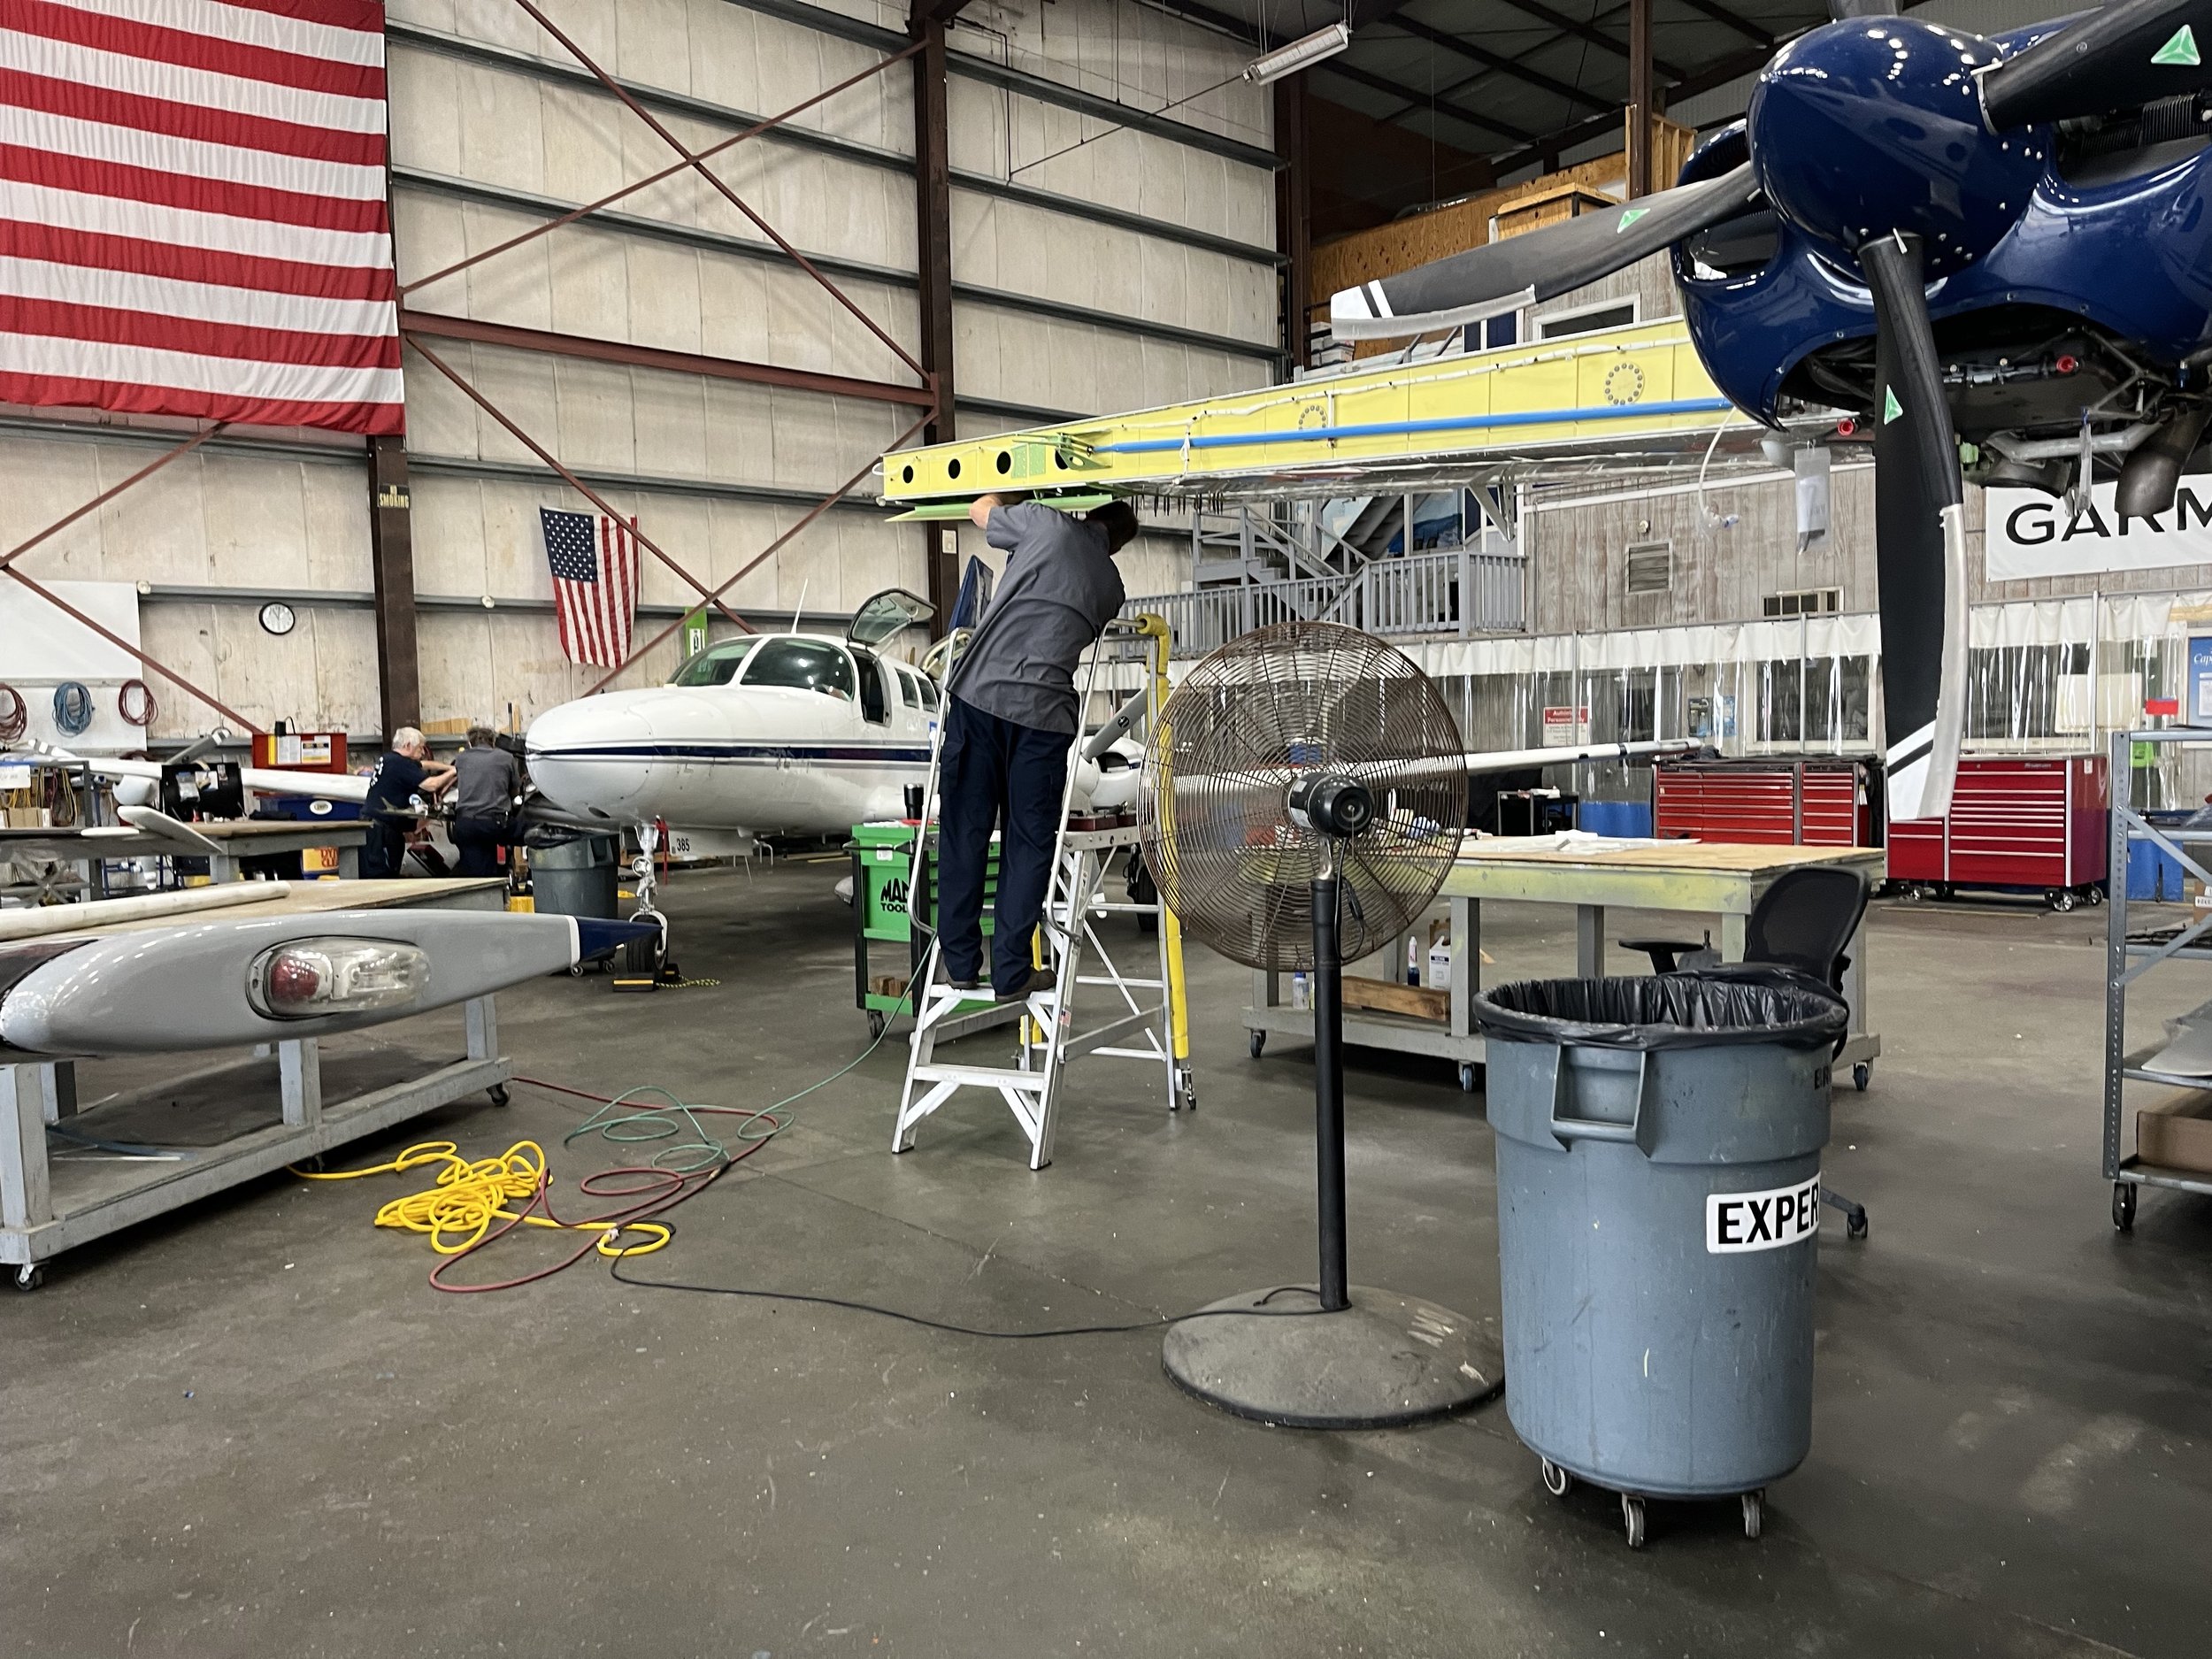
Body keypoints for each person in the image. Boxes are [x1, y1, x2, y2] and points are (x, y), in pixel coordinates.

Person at [935, 491, 1135, 1001]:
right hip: (1044, 721)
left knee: (965, 832)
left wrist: (1020, 495)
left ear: (1087, 514)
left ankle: (959, 963)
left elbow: (979, 509)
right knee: (1028, 844)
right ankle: (1011, 971)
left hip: (979, 698)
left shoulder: (1043, 524)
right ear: (1117, 544)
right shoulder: (1110, 588)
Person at [359, 726, 454, 879]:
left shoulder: (390, 759)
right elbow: (431, 785)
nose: (423, 753)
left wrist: (449, 766)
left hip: (380, 828)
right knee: (380, 876)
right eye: (420, 748)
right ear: (408, 745)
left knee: (389, 872)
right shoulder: (400, 764)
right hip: (380, 832)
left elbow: (425, 765)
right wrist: (453, 772)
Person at [448, 725, 520, 878]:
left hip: (466, 824)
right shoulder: (506, 757)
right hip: (495, 824)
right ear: (493, 742)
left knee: (474, 870)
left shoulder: (461, 758)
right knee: (530, 833)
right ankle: (527, 879)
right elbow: (515, 790)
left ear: (470, 743)